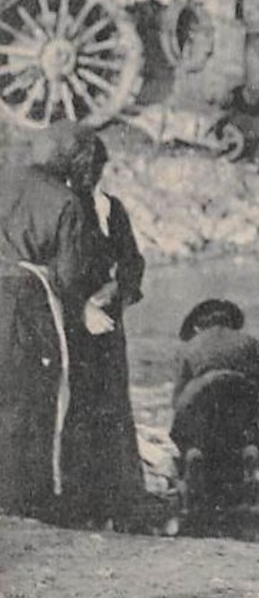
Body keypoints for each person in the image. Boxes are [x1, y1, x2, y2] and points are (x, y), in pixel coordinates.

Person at [0, 125, 93, 518]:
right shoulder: (66, 202)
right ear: (71, 160)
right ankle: (23, 499)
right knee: (31, 400)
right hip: (26, 303)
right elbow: (70, 279)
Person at [63, 133, 147, 529]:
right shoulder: (66, 209)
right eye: (86, 169)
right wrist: (82, 309)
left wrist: (118, 289)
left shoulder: (112, 209)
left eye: (97, 169)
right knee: (80, 406)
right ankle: (82, 501)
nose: (92, 176)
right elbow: (59, 273)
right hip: (73, 326)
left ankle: (121, 498)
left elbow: (132, 261)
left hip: (109, 323)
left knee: (114, 404)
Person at [171, 300, 259, 507]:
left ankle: (194, 451)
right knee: (252, 426)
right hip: (241, 396)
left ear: (198, 326)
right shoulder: (249, 342)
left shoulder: (187, 348)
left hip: (200, 399)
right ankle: (250, 450)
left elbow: (178, 400)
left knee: (186, 430)